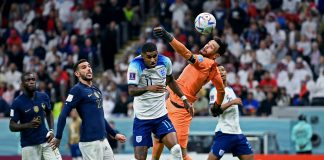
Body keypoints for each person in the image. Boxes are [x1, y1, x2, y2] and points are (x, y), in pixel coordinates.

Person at [152, 27, 226, 160]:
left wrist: (169, 37)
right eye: (208, 43)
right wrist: (217, 106)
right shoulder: (214, 70)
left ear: (216, 55)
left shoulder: (205, 62)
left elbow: (185, 53)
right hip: (171, 103)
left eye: (212, 47)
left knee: (180, 153)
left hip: (181, 111)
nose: (207, 45)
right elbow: (221, 90)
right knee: (158, 138)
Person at [50, 59, 127, 160]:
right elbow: (63, 114)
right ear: (77, 74)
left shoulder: (96, 89)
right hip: (90, 143)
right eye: (84, 67)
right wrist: (58, 136)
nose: (89, 69)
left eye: (89, 66)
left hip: (103, 140)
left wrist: (114, 134)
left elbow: (100, 116)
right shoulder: (77, 90)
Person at [127, 42, 192, 160]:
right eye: (149, 57)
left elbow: (171, 81)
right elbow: (131, 91)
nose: (153, 60)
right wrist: (148, 88)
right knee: (140, 158)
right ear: (142, 56)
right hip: (142, 119)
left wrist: (184, 99)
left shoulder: (165, 62)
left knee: (176, 150)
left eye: (155, 56)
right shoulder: (135, 65)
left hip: (161, 117)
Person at [9, 72, 62, 160]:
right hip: (29, 145)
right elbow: (12, 126)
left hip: (46, 141)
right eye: (28, 80)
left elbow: (49, 113)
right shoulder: (17, 102)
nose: (31, 82)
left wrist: (51, 130)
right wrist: (28, 125)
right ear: (22, 84)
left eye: (33, 79)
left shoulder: (43, 96)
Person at [208, 66, 254, 160]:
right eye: (219, 71)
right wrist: (232, 102)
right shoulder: (215, 91)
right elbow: (213, 112)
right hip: (225, 132)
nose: (222, 72)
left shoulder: (230, 89)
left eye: (223, 70)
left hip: (237, 132)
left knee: (250, 157)